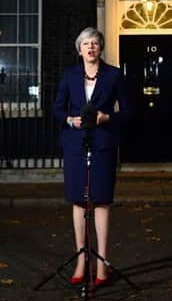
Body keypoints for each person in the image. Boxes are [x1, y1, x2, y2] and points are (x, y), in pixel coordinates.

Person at [53, 27, 132, 287]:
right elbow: (56, 109)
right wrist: (69, 120)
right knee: (78, 201)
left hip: (103, 145)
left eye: (95, 43)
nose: (90, 48)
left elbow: (129, 111)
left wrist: (108, 117)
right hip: (76, 145)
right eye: (86, 44)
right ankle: (80, 261)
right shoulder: (69, 75)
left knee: (101, 201)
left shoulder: (114, 75)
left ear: (101, 48)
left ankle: (102, 264)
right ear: (79, 49)